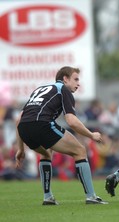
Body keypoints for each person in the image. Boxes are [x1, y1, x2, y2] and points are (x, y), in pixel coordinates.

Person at [14, 66, 108, 205]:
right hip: (42, 125)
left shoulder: (39, 89)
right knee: (80, 150)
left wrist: (20, 149)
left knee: (46, 153)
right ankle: (91, 197)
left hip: (24, 128)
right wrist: (91, 135)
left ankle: (48, 197)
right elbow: (71, 121)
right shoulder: (63, 89)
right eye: (75, 79)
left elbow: (18, 119)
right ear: (65, 79)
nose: (78, 83)